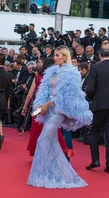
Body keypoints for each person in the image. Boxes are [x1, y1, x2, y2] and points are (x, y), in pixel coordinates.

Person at [27, 46, 92, 188]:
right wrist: (41, 105)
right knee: (51, 142)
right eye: (54, 55)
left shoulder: (71, 73)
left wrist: (47, 104)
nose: (54, 57)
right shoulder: (53, 71)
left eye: (57, 55)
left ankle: (45, 175)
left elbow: (65, 96)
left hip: (58, 110)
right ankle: (52, 174)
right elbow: (46, 90)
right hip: (49, 108)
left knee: (43, 140)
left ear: (64, 56)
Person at [85, 45, 109, 174]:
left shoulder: (95, 67)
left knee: (93, 132)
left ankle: (95, 160)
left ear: (100, 55)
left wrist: (90, 99)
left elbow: (90, 87)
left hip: (99, 105)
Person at [23, 58, 70, 158]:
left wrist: (24, 107)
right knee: (53, 129)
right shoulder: (55, 78)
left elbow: (30, 94)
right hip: (52, 106)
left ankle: (37, 151)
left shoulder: (38, 77)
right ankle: (59, 151)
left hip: (39, 107)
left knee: (36, 129)